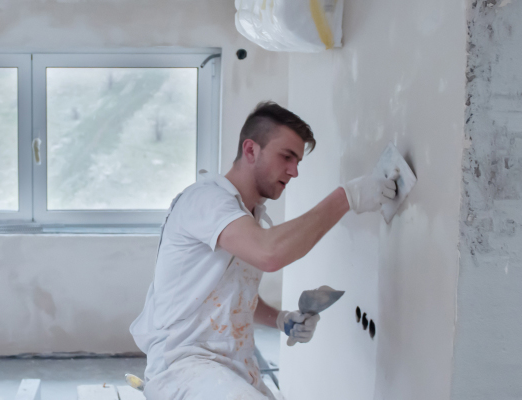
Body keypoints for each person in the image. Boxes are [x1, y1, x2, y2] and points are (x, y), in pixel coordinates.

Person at [130, 101, 398, 399]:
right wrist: (347, 198)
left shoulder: (248, 216)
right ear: (250, 150)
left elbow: (226, 297)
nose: (294, 171)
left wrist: (282, 319)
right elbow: (270, 254)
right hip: (184, 368)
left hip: (232, 368)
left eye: (298, 161)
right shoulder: (207, 200)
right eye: (287, 157)